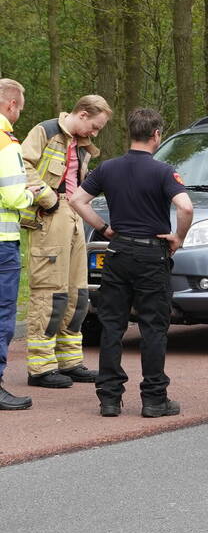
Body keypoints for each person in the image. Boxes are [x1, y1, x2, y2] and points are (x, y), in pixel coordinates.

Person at [70, 108, 194, 417]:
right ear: (156, 135)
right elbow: (186, 208)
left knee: (113, 325)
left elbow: (76, 201)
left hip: (118, 252)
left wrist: (103, 228)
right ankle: (154, 399)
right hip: (152, 255)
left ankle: (109, 398)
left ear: (130, 133)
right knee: (153, 327)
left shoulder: (108, 168)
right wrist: (177, 237)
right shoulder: (164, 171)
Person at [21, 95, 110, 388]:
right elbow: (22, 165)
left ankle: (70, 360)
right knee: (50, 291)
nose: (95, 134)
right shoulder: (45, 131)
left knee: (77, 292)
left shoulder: (83, 146)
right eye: (94, 127)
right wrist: (48, 199)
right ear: (82, 114)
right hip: (50, 215)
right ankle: (41, 367)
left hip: (73, 215)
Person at [0, 80, 40, 410]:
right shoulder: (6, 142)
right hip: (2, 242)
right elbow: (13, 195)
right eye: (20, 110)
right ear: (11, 105)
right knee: (2, 316)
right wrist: (31, 195)